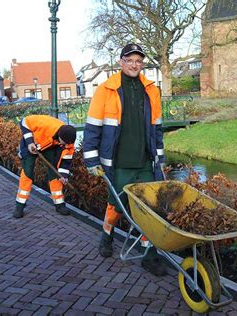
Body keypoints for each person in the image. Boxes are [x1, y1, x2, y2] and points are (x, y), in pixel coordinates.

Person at [83, 43, 167, 276]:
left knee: (148, 209)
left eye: (138, 61)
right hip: (118, 162)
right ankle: (107, 235)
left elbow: (157, 127)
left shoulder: (151, 90)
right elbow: (92, 128)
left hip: (144, 162)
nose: (134, 64)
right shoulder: (105, 90)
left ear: (142, 64)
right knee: (117, 205)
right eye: (129, 60)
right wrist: (91, 160)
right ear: (121, 62)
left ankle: (149, 256)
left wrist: (160, 158)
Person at [14, 114, 76, 219]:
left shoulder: (68, 142)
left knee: (55, 174)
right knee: (27, 173)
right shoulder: (46, 124)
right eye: (63, 143)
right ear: (60, 137)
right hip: (32, 145)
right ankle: (19, 206)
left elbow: (65, 161)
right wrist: (29, 142)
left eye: (66, 144)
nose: (65, 145)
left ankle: (59, 204)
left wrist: (63, 175)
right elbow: (24, 121)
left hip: (49, 146)